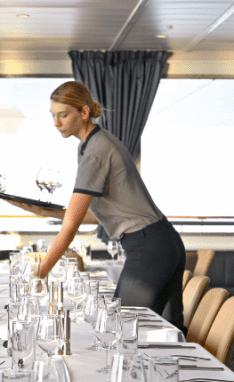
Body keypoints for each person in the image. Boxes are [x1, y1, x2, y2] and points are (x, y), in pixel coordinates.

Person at [10, 81, 186, 332]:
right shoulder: (94, 143)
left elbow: (71, 227)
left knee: (118, 331)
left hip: (149, 248)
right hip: (163, 242)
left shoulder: (95, 151)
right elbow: (96, 216)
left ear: (83, 112)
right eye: (53, 116)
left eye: (63, 115)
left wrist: (39, 273)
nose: (57, 123)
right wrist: (45, 211)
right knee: (167, 335)